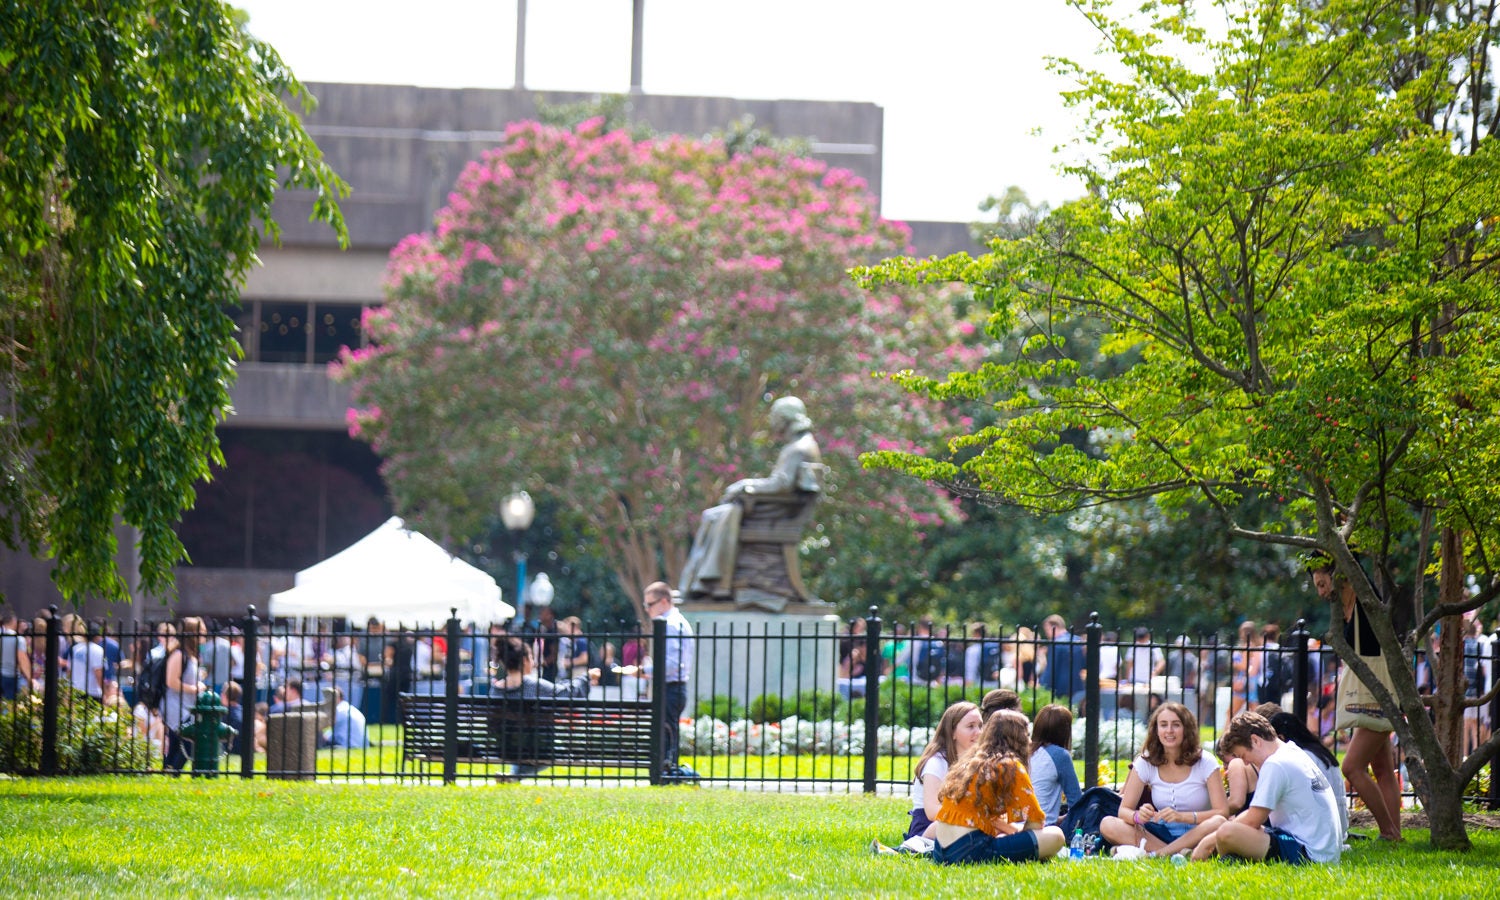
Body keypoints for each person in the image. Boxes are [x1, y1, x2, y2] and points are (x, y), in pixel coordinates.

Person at [680, 395, 822, 603]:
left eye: (775, 416)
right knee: (714, 516)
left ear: (785, 418)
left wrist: (745, 486)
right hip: (778, 509)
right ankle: (706, 582)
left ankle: (712, 582)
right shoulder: (797, 446)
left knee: (720, 515)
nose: (772, 422)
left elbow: (782, 485)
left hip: (779, 514)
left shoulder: (799, 448)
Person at [1315, 563, 1402, 841]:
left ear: (1337, 576)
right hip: (1377, 695)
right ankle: (1394, 836)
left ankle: (1389, 833)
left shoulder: (1362, 597)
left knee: (1351, 767)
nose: (1320, 592)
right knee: (1383, 769)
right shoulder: (1349, 606)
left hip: (1377, 695)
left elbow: (1354, 567)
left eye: (1321, 584)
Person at [1193, 712, 1342, 864]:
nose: (1245, 763)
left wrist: (1209, 841)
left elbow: (1253, 820)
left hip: (1308, 854)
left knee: (1226, 832)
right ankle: (1233, 860)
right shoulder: (1292, 751)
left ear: (1255, 740)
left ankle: (1230, 860)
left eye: (1243, 756)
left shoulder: (1275, 764)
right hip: (1321, 850)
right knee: (1234, 825)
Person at [927, 710, 1067, 864]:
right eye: (1027, 735)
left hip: (941, 851)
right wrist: (1024, 841)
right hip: (970, 850)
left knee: (1008, 836)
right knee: (1056, 835)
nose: (1029, 742)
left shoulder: (970, 762)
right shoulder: (1010, 765)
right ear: (1017, 738)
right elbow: (1035, 822)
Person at [1100, 701, 1227, 857]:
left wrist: (1183, 817)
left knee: (1219, 822)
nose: (1169, 731)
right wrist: (1139, 816)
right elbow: (1123, 811)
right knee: (1108, 824)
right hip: (1161, 833)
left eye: (1176, 725)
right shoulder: (1146, 762)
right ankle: (1178, 854)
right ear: (1156, 730)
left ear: (1186, 729)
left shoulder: (1206, 761)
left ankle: (1157, 854)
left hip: (1198, 833)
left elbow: (1222, 811)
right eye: (1163, 725)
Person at [885, 701, 982, 851]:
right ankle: (908, 849)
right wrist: (972, 817)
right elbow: (932, 812)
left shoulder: (976, 762)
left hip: (965, 822)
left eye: (980, 726)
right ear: (953, 732)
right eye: (970, 726)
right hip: (929, 829)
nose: (978, 732)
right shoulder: (936, 763)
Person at [1267, 710, 1348, 842]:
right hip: (1338, 829)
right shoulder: (1319, 752)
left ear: (1281, 738)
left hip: (1318, 834)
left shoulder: (1298, 757)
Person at [643, 581, 694, 776]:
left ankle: (665, 772)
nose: (648, 610)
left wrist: (643, 670)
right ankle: (665, 770)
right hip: (674, 687)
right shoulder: (675, 622)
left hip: (671, 687)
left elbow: (671, 665)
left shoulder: (671, 624)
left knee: (666, 732)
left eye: (650, 604)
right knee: (667, 731)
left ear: (664, 601)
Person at [162, 616, 207, 774]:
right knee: (188, 742)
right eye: (201, 631)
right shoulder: (179, 655)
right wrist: (195, 688)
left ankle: (168, 771)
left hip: (186, 705)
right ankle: (174, 771)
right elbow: (171, 681)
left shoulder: (191, 655)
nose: (204, 635)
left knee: (177, 743)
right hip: (176, 705)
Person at [1029, 704, 1081, 826]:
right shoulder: (1060, 755)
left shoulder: (1025, 752)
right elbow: (1077, 803)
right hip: (1043, 829)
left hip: (1017, 826)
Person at [1039, 614, 1085, 705]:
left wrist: (1043, 685)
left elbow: (1051, 669)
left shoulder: (1056, 643)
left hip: (1059, 687)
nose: (1047, 633)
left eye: (1047, 630)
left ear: (1054, 627)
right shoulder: (1078, 641)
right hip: (1077, 685)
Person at [0, 610, 29, 699]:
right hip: (11, 675)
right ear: (13, 621)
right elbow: (22, 660)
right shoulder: (19, 639)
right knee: (9, 705)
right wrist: (29, 678)